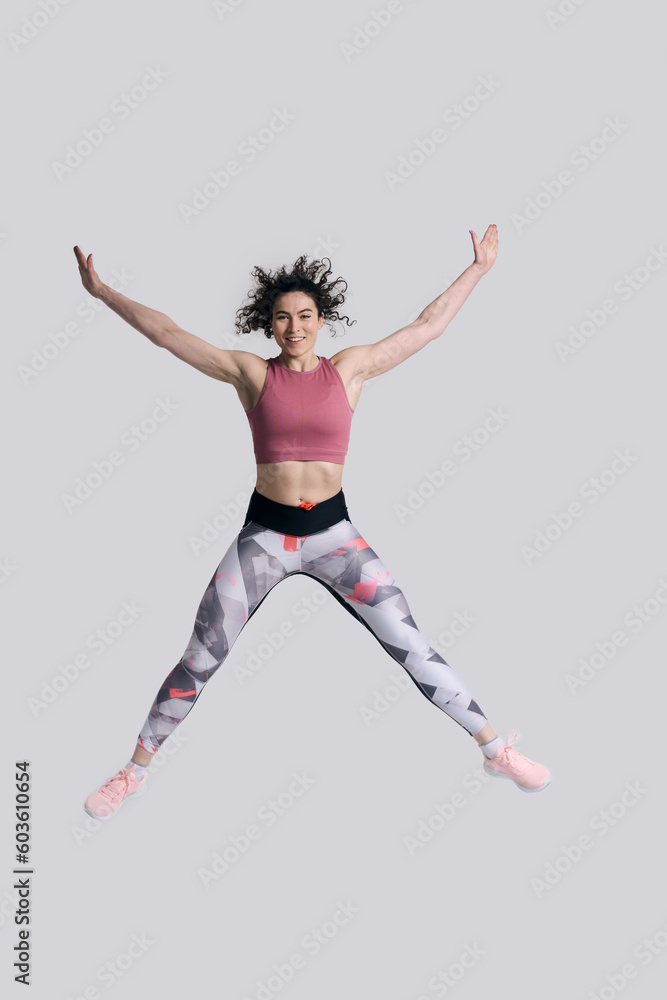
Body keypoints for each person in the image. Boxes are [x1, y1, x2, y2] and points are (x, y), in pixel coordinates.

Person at [75, 225, 551, 820]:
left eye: (304, 315)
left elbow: (427, 325)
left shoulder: (349, 369)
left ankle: (495, 749)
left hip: (334, 538)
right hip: (265, 538)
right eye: (282, 317)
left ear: (321, 319)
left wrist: (477, 269)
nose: (294, 327)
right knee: (202, 654)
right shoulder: (252, 374)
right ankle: (133, 771)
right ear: (267, 323)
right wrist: (103, 292)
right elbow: (169, 335)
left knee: (409, 641)